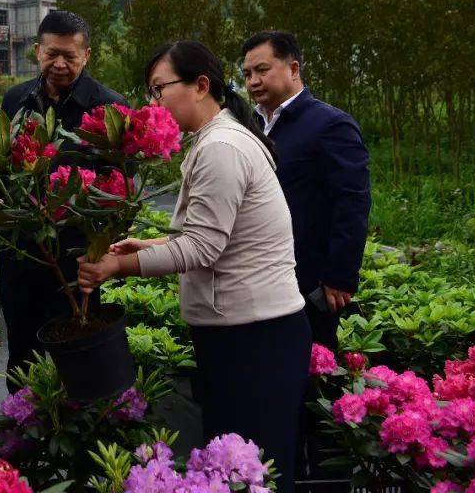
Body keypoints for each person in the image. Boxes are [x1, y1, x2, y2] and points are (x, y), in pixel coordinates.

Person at [77, 41, 310, 493]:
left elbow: (202, 248)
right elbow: (221, 235)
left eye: (159, 88)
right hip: (249, 332)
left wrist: (118, 266)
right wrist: (148, 243)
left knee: (254, 472)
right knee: (242, 468)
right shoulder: (218, 139)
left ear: (201, 85)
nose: (153, 102)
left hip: (254, 339)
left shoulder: (221, 147)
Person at [0, 10, 125, 385]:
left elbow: (121, 186)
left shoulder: (108, 106)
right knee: (21, 353)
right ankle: (21, 425)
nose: (59, 64)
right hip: (22, 249)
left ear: (86, 56)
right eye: (51, 53)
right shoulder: (16, 100)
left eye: (70, 56)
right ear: (37, 51)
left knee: (79, 353)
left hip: (76, 255)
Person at [241, 31, 370, 352]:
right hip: (256, 275)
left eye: (262, 70)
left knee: (309, 372)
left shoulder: (329, 125)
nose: (253, 81)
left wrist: (340, 275)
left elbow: (351, 203)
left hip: (308, 279)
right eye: (247, 74)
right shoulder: (249, 127)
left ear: (294, 69)